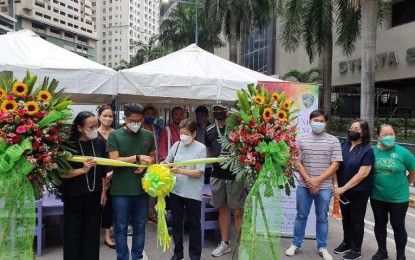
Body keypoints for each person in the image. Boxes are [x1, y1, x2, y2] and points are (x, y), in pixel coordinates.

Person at [285, 109, 342, 260]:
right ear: (310, 121)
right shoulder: (300, 139)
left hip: (324, 188)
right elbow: (297, 162)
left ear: (326, 123)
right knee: (301, 215)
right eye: (315, 120)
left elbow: (335, 165)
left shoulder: (333, 140)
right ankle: (296, 244)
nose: (318, 123)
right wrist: (310, 181)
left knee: (322, 218)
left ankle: (322, 247)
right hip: (304, 186)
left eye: (321, 121)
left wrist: (317, 181)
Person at [107, 102, 156, 260]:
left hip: (142, 190)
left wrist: (145, 163)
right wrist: (137, 157)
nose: (136, 124)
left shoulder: (148, 135)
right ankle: (122, 257)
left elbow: (152, 157)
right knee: (120, 228)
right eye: (133, 121)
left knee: (140, 227)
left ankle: (137, 257)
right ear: (125, 119)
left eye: (139, 120)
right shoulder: (115, 135)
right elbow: (114, 160)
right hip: (120, 190)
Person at [62, 111, 108, 260]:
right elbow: (61, 173)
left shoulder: (100, 142)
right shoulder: (68, 145)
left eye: (96, 125)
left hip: (94, 194)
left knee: (92, 234)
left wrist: (104, 191)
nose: (95, 129)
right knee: (73, 234)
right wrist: (83, 170)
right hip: (73, 195)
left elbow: (102, 170)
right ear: (80, 128)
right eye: (91, 127)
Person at [370, 124, 415, 260]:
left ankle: (400, 255)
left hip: (398, 198)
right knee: (379, 223)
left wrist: (406, 183)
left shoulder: (404, 153)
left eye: (391, 133)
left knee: (398, 225)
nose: (389, 136)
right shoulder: (373, 152)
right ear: (378, 137)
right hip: (377, 196)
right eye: (385, 134)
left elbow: (413, 172)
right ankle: (382, 251)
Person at [206, 101, 245, 257]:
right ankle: (225, 243)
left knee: (236, 211)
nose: (219, 112)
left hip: (235, 175)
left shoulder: (237, 129)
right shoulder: (209, 130)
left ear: (228, 112)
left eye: (222, 110)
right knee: (222, 209)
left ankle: (243, 246)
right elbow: (209, 150)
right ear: (212, 112)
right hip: (217, 175)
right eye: (216, 110)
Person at [332, 120, 374, 260]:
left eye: (356, 128)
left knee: (356, 220)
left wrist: (344, 187)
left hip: (359, 191)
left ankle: (356, 250)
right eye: (351, 128)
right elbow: (335, 166)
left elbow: (363, 174)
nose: (352, 130)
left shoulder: (367, 150)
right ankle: (347, 242)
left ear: (364, 132)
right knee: (346, 219)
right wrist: (337, 186)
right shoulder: (344, 145)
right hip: (343, 191)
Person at [165, 118, 207, 260]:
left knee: (194, 225)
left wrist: (180, 171)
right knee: (177, 223)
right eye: (181, 133)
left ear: (194, 134)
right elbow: (168, 161)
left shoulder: (201, 148)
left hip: (192, 192)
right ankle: (178, 253)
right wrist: (163, 164)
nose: (183, 136)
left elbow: (197, 173)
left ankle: (195, 256)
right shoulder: (176, 145)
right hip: (176, 190)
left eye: (186, 133)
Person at [96, 105, 116, 249]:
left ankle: (108, 236)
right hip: (96, 175)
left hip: (114, 174)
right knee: (96, 205)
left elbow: (119, 156)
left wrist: (113, 172)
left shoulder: (117, 134)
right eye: (105, 115)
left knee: (109, 206)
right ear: (99, 117)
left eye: (110, 116)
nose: (108, 119)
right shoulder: (93, 134)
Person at [143, 105, 160, 224]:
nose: (150, 116)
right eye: (147, 113)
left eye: (152, 114)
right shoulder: (140, 128)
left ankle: (151, 214)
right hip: (141, 162)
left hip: (155, 162)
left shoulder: (158, 129)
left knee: (153, 190)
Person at [194, 105, 212, 184]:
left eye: (202, 115)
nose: (199, 117)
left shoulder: (212, 128)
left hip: (210, 164)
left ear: (207, 116)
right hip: (197, 165)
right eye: (197, 115)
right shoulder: (193, 129)